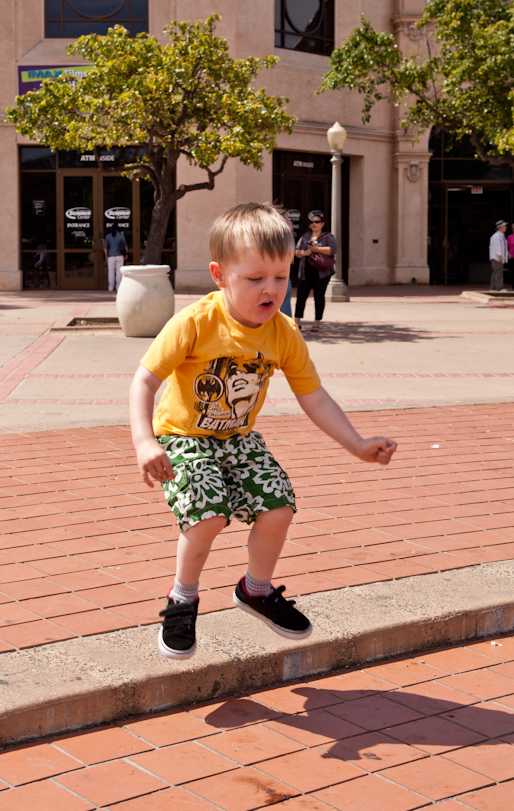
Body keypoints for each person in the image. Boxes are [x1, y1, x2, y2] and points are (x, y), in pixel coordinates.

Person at [129, 202, 397, 660]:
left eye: (280, 276)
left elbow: (314, 397)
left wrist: (356, 444)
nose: (270, 289)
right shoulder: (195, 322)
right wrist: (143, 441)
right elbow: (145, 380)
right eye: (254, 279)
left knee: (278, 506)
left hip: (238, 438)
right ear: (220, 275)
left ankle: (255, 590)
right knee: (209, 514)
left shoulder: (283, 332)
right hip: (183, 436)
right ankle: (182, 599)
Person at [294, 211, 337, 333]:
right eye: (312, 222)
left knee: (319, 297)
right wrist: (305, 253)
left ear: (322, 224)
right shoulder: (305, 236)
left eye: (317, 222)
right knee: (301, 297)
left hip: (322, 273)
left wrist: (317, 249)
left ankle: (317, 322)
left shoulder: (328, 237)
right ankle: (297, 322)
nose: (314, 224)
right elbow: (297, 252)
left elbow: (333, 250)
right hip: (305, 271)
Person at [104, 222, 128, 292]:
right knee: (119, 272)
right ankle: (118, 287)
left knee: (111, 273)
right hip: (119, 256)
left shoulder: (108, 236)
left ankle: (110, 288)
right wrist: (126, 254)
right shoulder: (121, 235)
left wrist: (106, 256)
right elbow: (125, 246)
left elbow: (105, 247)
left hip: (111, 256)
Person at [489, 219, 508, 292]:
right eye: (504, 226)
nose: (506, 227)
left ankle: (492, 287)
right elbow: (497, 247)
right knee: (499, 272)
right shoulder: (497, 236)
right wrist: (500, 256)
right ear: (501, 227)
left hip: (497, 257)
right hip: (497, 257)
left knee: (495, 272)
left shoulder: (501, 236)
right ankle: (499, 287)